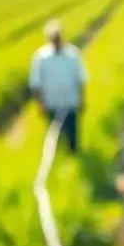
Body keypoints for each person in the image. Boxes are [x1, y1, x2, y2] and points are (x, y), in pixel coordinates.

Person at [29, 19, 87, 152]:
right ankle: (60, 159)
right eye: (53, 37)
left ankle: (73, 156)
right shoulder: (41, 58)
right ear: (48, 38)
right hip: (52, 104)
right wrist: (41, 103)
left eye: (58, 36)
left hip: (70, 102)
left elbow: (80, 79)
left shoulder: (73, 55)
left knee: (73, 136)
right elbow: (37, 83)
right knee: (55, 136)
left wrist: (82, 99)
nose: (56, 39)